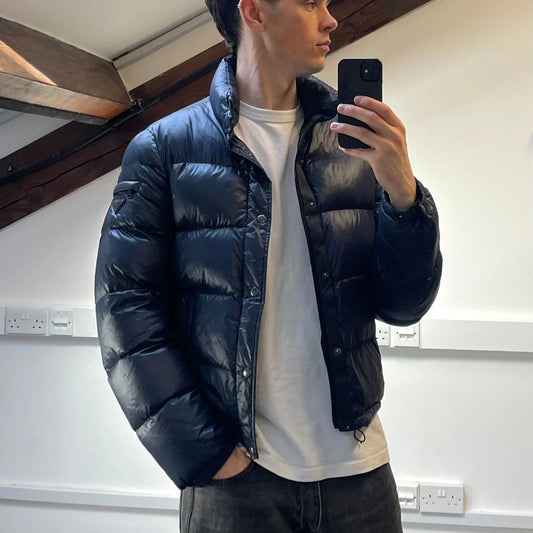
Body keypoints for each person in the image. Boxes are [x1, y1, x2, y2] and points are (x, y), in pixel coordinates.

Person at [94, 0, 442, 531]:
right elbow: (125, 313)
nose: (330, 19)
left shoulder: (354, 143)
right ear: (254, 12)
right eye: (310, 3)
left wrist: (404, 193)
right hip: (237, 485)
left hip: (360, 476)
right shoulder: (164, 150)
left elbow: (403, 305)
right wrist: (206, 455)